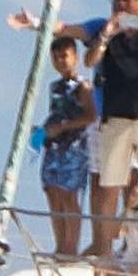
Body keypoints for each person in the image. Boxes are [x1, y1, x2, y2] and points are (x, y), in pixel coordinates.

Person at [10, 0, 138, 223]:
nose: (119, 4)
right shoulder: (101, 27)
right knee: (106, 187)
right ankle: (107, 244)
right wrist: (36, 23)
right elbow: (68, 30)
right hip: (110, 118)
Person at [29, 27, 98, 262]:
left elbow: (90, 116)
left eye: (65, 56)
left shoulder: (83, 87)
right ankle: (60, 244)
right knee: (52, 192)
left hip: (74, 146)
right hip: (53, 146)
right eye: (56, 57)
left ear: (75, 58)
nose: (60, 61)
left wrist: (65, 126)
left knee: (69, 195)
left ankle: (71, 246)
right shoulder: (55, 87)